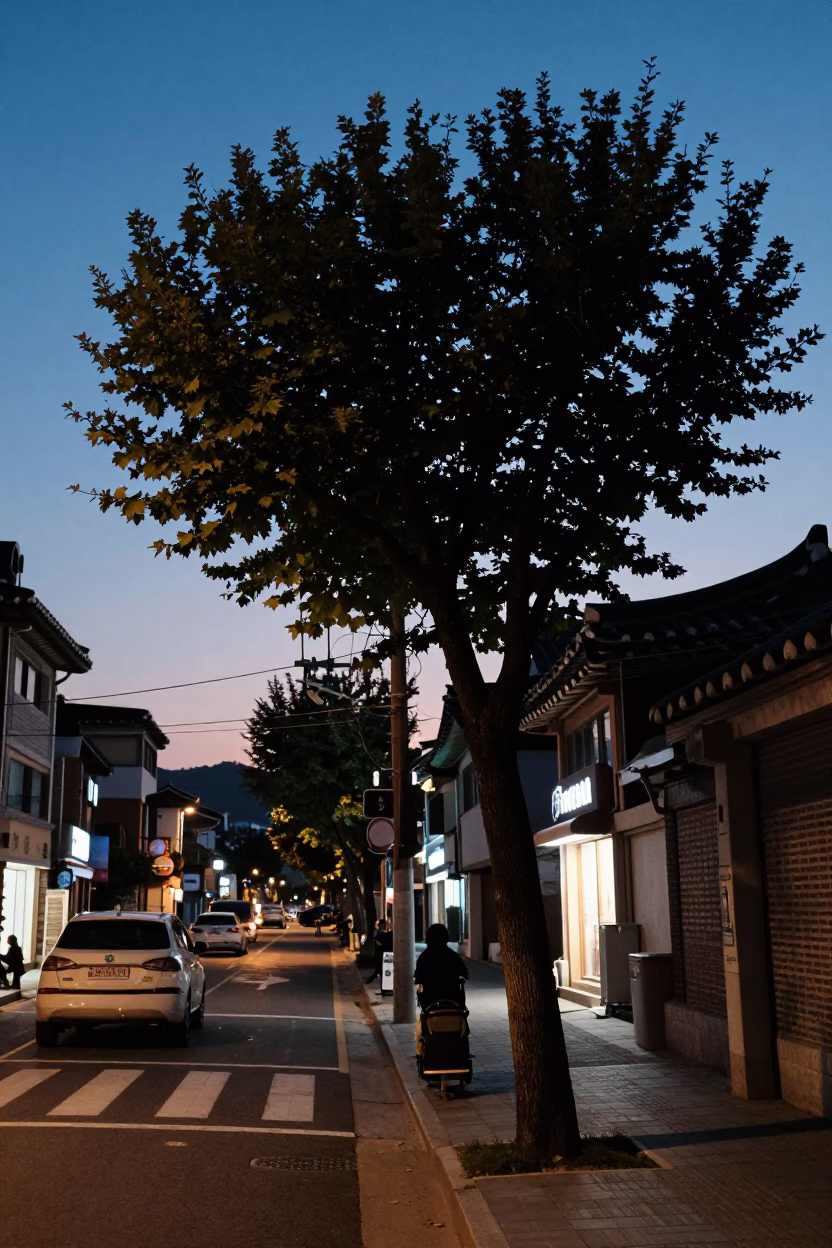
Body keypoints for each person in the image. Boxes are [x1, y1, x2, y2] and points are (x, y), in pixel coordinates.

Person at [414, 923, 468, 1010]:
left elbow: (418, 979)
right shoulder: (453, 955)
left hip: (429, 1000)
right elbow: (465, 974)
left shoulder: (423, 957)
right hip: (453, 999)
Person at [366, 918, 391, 983]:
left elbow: (377, 943)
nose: (375, 926)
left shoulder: (381, 934)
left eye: (376, 924)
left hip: (382, 956)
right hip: (385, 956)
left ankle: (371, 979)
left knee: (382, 972)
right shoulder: (386, 934)